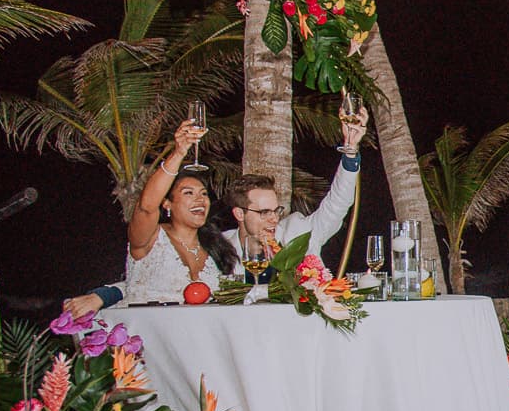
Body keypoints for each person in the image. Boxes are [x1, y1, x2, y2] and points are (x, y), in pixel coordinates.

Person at [64, 103, 369, 316]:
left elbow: (338, 202)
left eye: (275, 210)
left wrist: (351, 152)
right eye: (263, 212)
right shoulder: (222, 249)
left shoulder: (299, 231)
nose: (273, 218)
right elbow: (157, 282)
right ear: (239, 214)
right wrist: (104, 294)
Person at [119, 120, 234, 303]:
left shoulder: (215, 246)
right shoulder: (151, 238)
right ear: (167, 204)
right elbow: (146, 207)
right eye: (188, 193)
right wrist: (179, 153)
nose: (200, 199)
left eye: (204, 193)